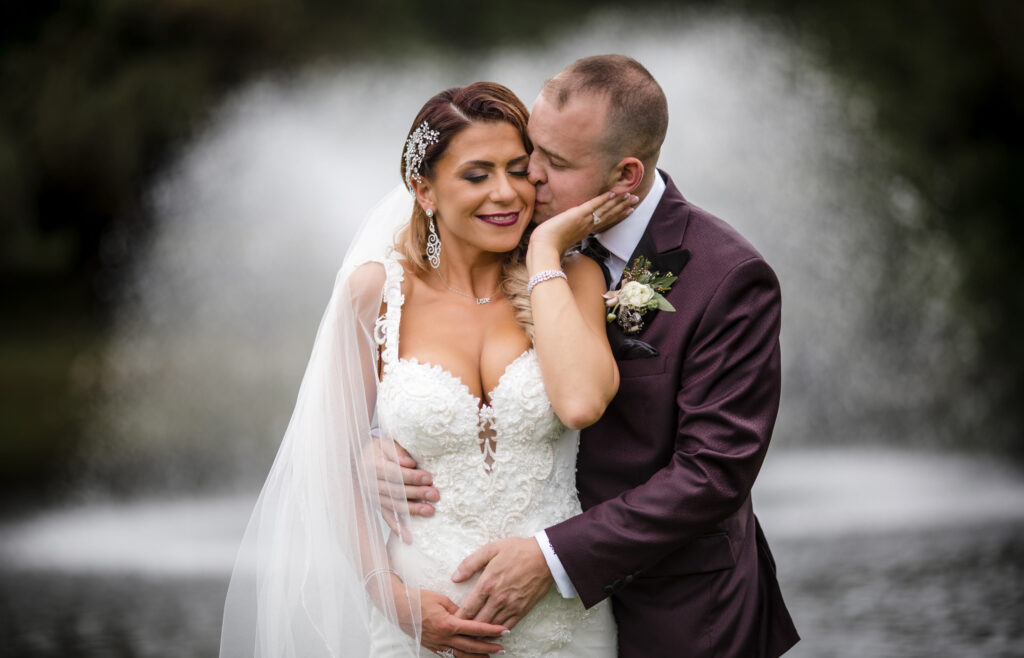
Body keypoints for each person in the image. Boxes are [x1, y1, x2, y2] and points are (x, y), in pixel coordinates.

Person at [381, 55, 800, 657]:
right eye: (532, 152)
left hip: (677, 613)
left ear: (624, 175)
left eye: (551, 164)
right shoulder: (502, 233)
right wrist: (375, 446)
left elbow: (713, 473)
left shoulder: (727, 276)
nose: (527, 179)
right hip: (503, 616)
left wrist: (553, 558)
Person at [220, 81, 640, 657]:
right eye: (476, 175)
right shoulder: (375, 295)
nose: (506, 193)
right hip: (418, 626)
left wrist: (544, 252)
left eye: (519, 170)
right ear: (424, 190)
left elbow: (584, 402)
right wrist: (393, 600)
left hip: (564, 624)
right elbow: (333, 464)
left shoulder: (572, 280)